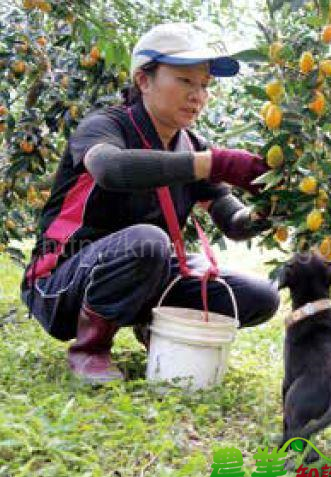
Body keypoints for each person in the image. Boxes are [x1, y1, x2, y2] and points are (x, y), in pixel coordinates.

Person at [20, 22, 280, 384]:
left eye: (204, 85)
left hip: (145, 269)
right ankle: (90, 349)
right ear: (144, 80)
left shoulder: (192, 145)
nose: (198, 96)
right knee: (148, 240)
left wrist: (268, 207)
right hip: (60, 282)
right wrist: (215, 163)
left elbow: (232, 219)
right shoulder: (104, 126)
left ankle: (152, 327)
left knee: (258, 296)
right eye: (185, 81)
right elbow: (110, 168)